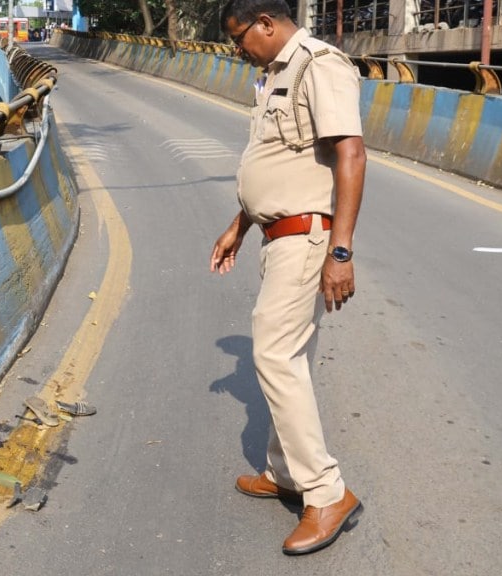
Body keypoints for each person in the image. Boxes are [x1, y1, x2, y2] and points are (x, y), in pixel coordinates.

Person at [209, 0, 367, 557]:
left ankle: (326, 493)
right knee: (289, 357)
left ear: (268, 23)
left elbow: (349, 152)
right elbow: (275, 159)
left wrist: (341, 251)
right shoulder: (274, 74)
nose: (237, 48)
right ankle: (284, 472)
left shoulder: (319, 64)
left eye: (239, 37)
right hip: (278, 235)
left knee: (274, 354)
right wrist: (240, 225)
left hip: (308, 236)